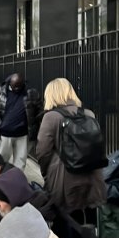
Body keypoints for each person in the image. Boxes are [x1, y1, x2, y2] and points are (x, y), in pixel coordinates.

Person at [36, 78, 106, 220]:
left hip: (64, 176)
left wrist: (46, 173)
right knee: (88, 216)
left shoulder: (51, 117)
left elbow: (43, 151)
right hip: (91, 176)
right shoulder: (88, 114)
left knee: (66, 220)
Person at [0, 73, 43, 170]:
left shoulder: (31, 93)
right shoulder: (0, 92)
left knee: (20, 163)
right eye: (14, 86)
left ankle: (15, 182)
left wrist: (35, 126)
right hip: (4, 134)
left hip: (23, 134)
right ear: (9, 83)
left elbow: (39, 110)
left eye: (19, 86)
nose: (17, 89)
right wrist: (0, 124)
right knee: (0, 161)